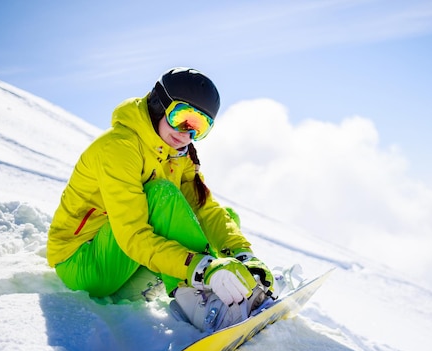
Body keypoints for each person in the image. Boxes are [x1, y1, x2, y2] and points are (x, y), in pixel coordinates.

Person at [47, 67, 275, 330]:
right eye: (182, 117)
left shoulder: (178, 153)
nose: (186, 133)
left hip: (124, 268)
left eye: (199, 127)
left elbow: (205, 209)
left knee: (222, 219)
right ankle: (200, 301)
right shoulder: (118, 148)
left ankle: (237, 290)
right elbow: (132, 235)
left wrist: (243, 255)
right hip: (83, 263)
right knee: (160, 195)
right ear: (158, 105)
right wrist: (202, 267)